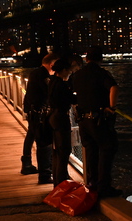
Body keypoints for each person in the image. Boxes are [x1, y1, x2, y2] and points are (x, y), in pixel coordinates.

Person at [72, 46, 122, 198]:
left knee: (91, 151)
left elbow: (73, 93)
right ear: (101, 59)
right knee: (107, 149)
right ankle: (103, 186)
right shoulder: (101, 73)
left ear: (86, 59)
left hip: (82, 120)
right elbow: (114, 87)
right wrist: (112, 107)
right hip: (98, 118)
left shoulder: (77, 75)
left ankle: (91, 183)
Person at [22, 53, 59, 184]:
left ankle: (26, 164)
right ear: (51, 64)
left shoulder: (35, 72)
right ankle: (45, 174)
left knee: (30, 135)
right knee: (43, 143)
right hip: (39, 113)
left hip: (31, 110)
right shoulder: (44, 75)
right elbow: (49, 92)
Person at [48, 57, 82, 187]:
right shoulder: (61, 84)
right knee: (64, 151)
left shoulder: (52, 81)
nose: (70, 73)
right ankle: (61, 183)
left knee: (57, 151)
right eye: (68, 70)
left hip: (53, 117)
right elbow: (72, 99)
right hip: (61, 118)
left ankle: (58, 181)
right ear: (63, 70)